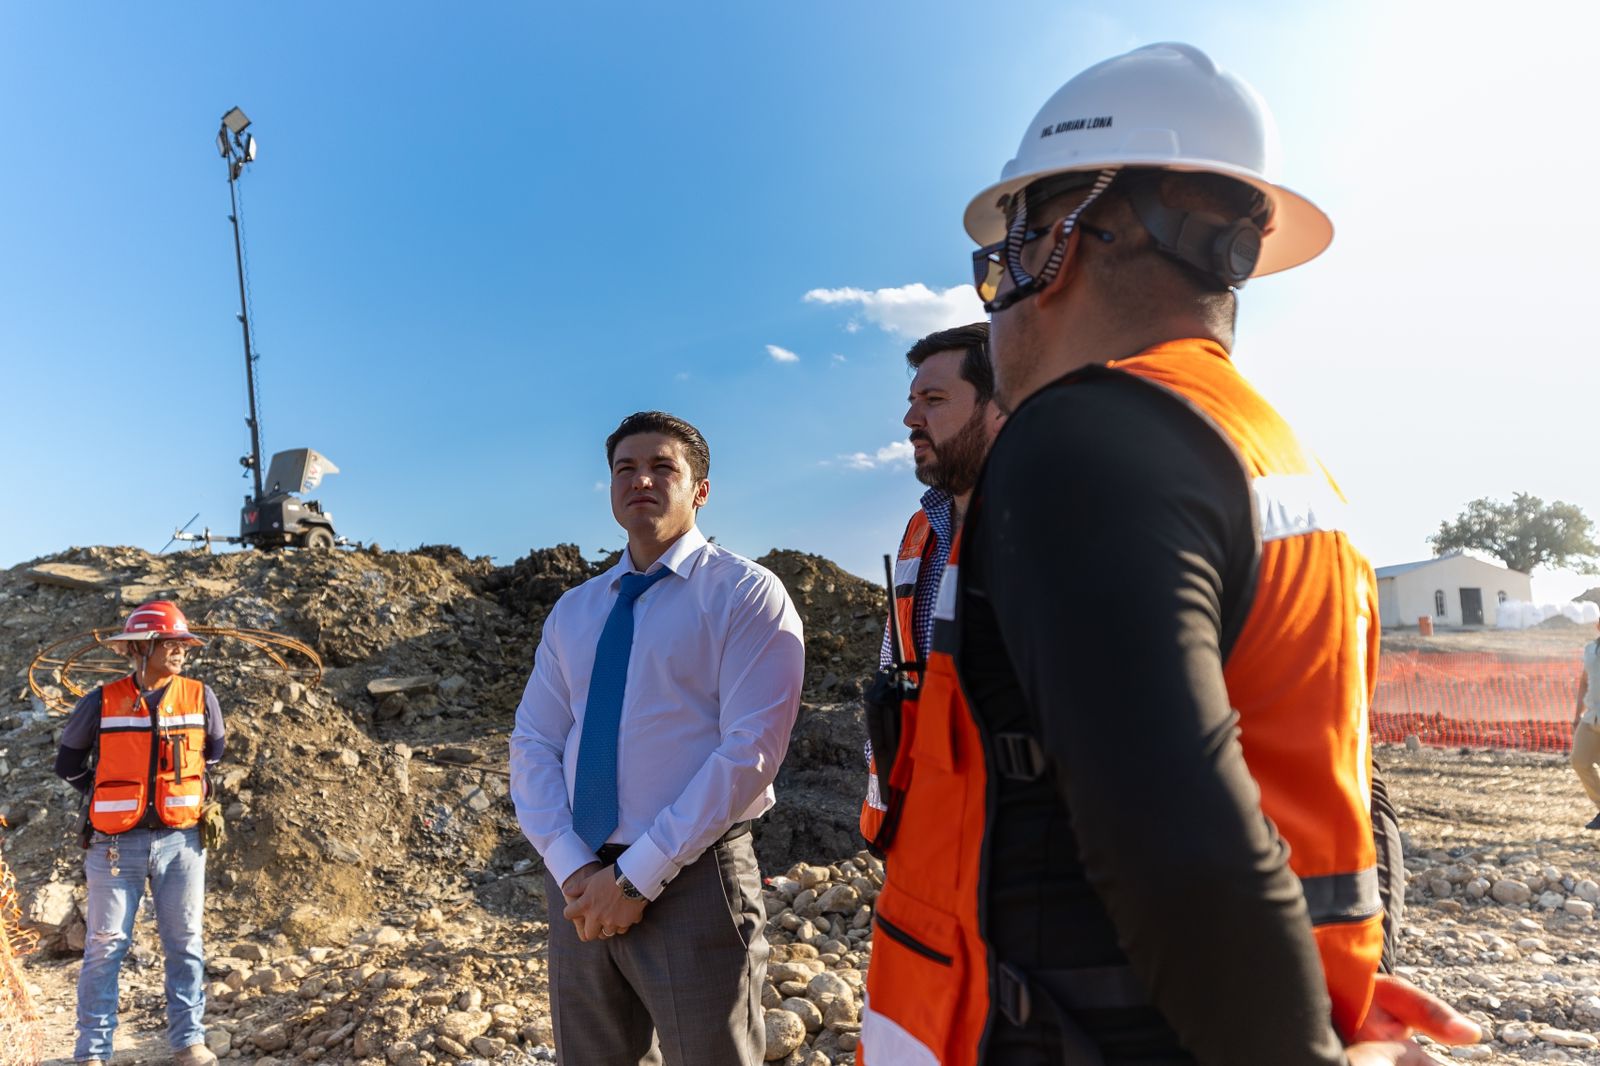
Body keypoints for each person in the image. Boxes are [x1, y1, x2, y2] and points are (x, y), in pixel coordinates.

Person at [861, 43, 1479, 1065]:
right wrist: (1304, 994)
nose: (994, 299)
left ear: (1057, 243)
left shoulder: (1082, 440)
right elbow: (1299, 775)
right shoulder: (1262, 449)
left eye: (1001, 261)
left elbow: (1176, 840)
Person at [509, 411, 805, 1065]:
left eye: (662, 466)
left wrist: (637, 878)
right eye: (625, 467)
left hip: (695, 883)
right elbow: (534, 740)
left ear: (701, 489)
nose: (641, 478)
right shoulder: (576, 610)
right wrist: (575, 867)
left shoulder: (745, 595)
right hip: (580, 890)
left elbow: (750, 751)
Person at [55, 601, 222, 1066]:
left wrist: (177, 787)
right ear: (140, 647)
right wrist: (107, 789)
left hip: (182, 843)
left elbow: (214, 752)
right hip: (114, 844)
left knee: (186, 942)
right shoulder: (100, 701)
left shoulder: (200, 696)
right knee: (105, 948)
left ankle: (189, 1042)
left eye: (183, 643)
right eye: (170, 643)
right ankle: (92, 1053)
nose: (180, 651)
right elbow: (67, 765)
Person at [862, 323, 1003, 847]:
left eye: (934, 399)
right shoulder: (920, 532)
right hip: (919, 836)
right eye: (912, 400)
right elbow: (894, 669)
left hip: (1015, 852)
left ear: (1000, 405)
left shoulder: (1056, 527)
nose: (909, 419)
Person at [1571, 619, 1600, 828]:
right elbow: (1583, 681)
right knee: (1579, 761)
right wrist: (1576, 714)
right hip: (1591, 717)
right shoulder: (1590, 649)